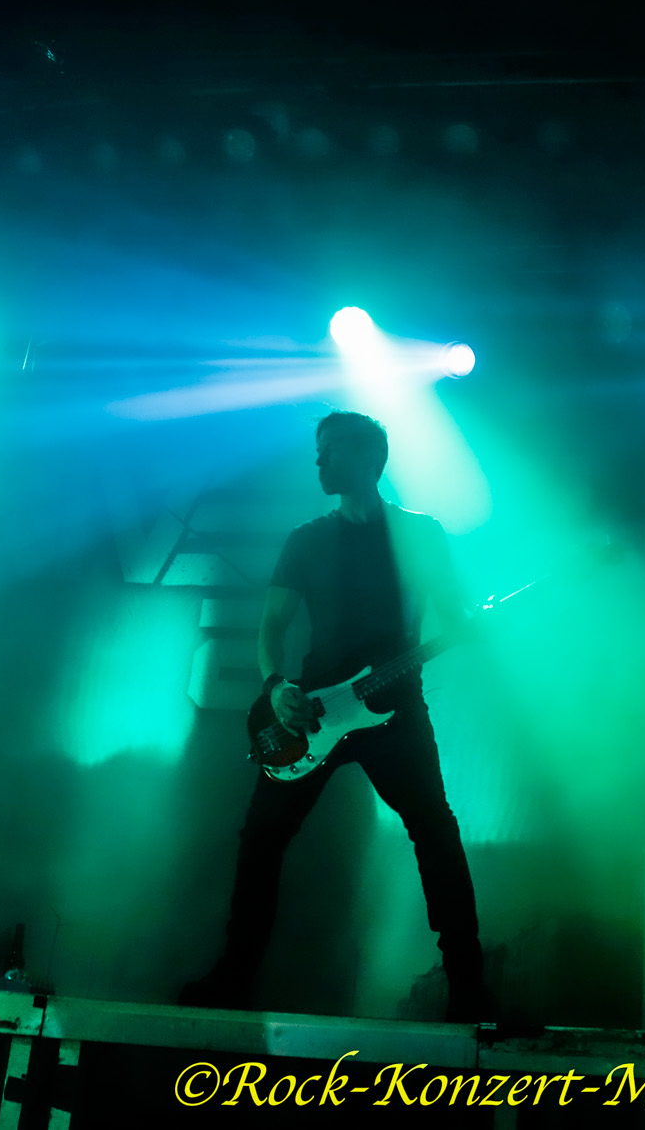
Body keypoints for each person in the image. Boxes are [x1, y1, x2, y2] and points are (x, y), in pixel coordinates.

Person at [181, 411, 488, 1020]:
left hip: (395, 711)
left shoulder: (421, 534)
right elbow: (271, 629)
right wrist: (276, 687)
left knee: (436, 831)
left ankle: (469, 989)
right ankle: (233, 977)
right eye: (318, 449)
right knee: (261, 839)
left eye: (331, 449)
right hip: (316, 710)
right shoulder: (306, 540)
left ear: (370, 458)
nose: (318, 460)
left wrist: (473, 625)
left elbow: (455, 615)